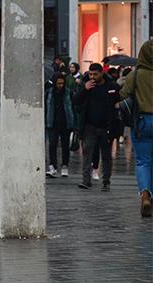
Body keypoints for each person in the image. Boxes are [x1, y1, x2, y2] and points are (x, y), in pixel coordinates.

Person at [73, 63, 121, 191]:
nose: (92, 77)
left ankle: (106, 182)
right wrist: (84, 89)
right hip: (90, 126)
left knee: (106, 156)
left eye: (95, 74)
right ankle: (86, 180)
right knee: (87, 154)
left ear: (101, 73)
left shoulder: (111, 86)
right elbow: (76, 100)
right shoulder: (87, 85)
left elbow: (119, 100)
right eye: (90, 74)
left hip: (106, 126)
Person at [121, 41, 152, 217]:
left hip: (141, 121)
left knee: (143, 161)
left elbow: (124, 95)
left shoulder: (136, 74)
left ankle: (145, 194)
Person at [45, 73, 75, 178]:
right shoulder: (49, 93)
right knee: (52, 144)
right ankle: (52, 166)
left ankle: (65, 166)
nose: (60, 85)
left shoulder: (68, 93)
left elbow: (73, 107)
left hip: (66, 123)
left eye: (62, 83)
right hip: (52, 122)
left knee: (65, 145)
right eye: (58, 83)